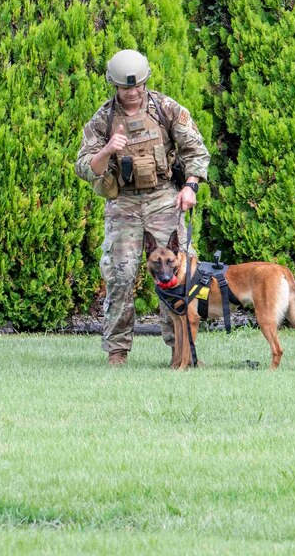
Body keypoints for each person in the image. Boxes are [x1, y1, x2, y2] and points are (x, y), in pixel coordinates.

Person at [75, 49, 210, 366]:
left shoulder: (165, 108)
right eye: (125, 87)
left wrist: (190, 185)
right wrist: (108, 149)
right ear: (114, 85)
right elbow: (85, 167)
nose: (133, 93)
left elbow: (196, 150)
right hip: (123, 201)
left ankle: (183, 351)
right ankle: (117, 350)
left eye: (138, 86)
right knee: (120, 275)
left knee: (176, 274)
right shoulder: (103, 119)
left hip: (164, 196)